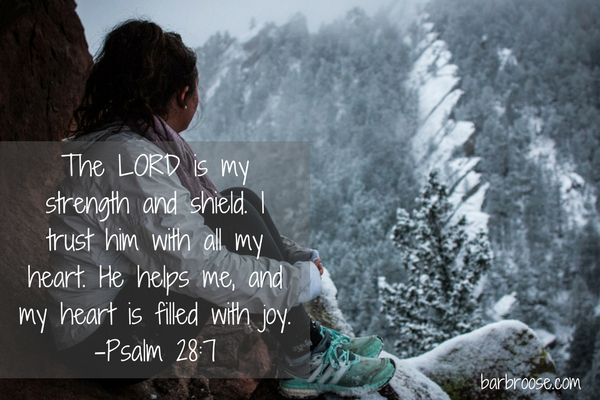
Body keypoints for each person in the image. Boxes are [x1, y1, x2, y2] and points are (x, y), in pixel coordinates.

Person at [49, 19, 395, 398]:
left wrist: (287, 254)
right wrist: (297, 282)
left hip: (106, 323)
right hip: (105, 348)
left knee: (236, 204)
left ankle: (307, 341)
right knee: (233, 216)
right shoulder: (132, 160)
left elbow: (197, 224)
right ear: (184, 95)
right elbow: (200, 267)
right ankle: (305, 356)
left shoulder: (126, 144)